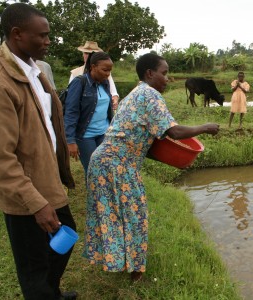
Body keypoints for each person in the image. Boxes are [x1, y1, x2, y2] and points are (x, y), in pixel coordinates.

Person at [83, 53, 219, 282]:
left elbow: (146, 140)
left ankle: (120, 263)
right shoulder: (150, 95)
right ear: (149, 74)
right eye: (164, 73)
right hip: (117, 165)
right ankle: (135, 272)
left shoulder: (135, 94)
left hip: (105, 162)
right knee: (135, 216)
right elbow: (173, 132)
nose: (168, 78)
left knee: (113, 215)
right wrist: (205, 127)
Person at [0, 3, 77, 300]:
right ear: (17, 34)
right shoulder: (2, 81)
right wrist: (35, 204)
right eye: (41, 36)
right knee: (34, 267)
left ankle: (51, 292)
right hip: (25, 192)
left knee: (64, 236)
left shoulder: (34, 70)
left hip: (47, 181)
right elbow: (1, 157)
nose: (47, 42)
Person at [64, 51, 114, 175]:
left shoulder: (105, 83)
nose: (108, 74)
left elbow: (108, 108)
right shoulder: (79, 83)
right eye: (104, 70)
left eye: (109, 71)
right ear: (93, 67)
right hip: (86, 136)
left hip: (103, 133)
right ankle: (93, 195)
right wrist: (70, 140)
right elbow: (71, 112)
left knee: (106, 169)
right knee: (93, 172)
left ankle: (104, 194)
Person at [70, 41, 119, 110]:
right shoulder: (75, 73)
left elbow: (113, 92)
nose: (89, 56)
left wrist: (115, 100)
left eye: (92, 54)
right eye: (86, 53)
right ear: (83, 54)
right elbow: (71, 101)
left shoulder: (105, 73)